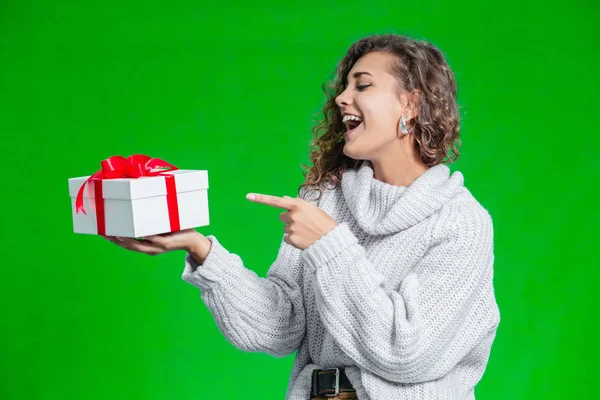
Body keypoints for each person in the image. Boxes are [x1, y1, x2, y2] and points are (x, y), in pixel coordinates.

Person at [104, 33, 500, 400]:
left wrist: (330, 245)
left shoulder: (460, 222)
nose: (343, 98)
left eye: (362, 85)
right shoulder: (325, 201)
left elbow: (406, 352)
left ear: (411, 104)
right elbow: (278, 327)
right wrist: (201, 248)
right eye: (344, 87)